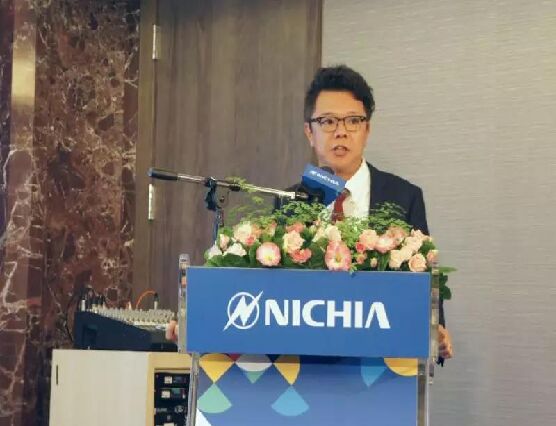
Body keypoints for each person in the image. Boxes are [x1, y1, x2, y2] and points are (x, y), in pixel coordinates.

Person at [298, 64, 453, 360]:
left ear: (366, 129)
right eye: (328, 121)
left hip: (383, 366)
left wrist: (436, 330)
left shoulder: (404, 197)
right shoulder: (291, 200)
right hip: (308, 365)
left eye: (352, 121)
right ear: (309, 132)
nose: (341, 132)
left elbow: (424, 277)